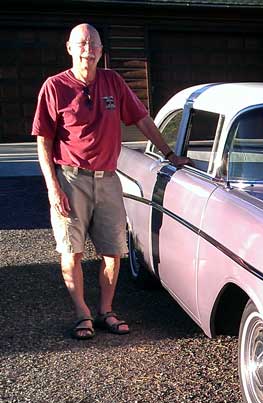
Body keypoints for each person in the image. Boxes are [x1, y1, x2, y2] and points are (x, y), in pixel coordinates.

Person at [32, 23, 188, 340]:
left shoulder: (113, 82)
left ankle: (106, 310)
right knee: (70, 250)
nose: (87, 46)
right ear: (70, 48)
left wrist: (170, 153)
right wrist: (53, 187)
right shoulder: (55, 86)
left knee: (113, 250)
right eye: (81, 41)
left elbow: (142, 119)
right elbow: (44, 141)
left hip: (108, 179)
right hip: (71, 178)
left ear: (101, 50)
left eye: (93, 42)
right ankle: (82, 314)